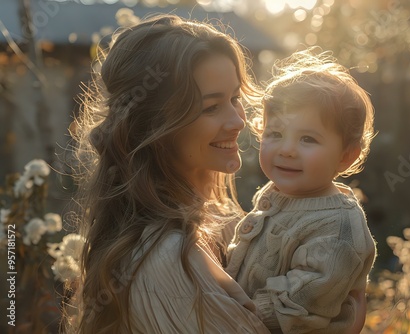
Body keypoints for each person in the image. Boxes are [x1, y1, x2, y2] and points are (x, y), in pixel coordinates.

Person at [66, 13, 271, 333]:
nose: (237, 121)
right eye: (211, 107)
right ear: (157, 128)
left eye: (235, 99)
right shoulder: (168, 259)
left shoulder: (219, 224)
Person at [225, 48, 377, 334]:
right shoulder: (278, 193)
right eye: (276, 134)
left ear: (346, 156)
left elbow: (299, 308)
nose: (287, 150)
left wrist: (225, 308)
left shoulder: (337, 229)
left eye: (307, 138)